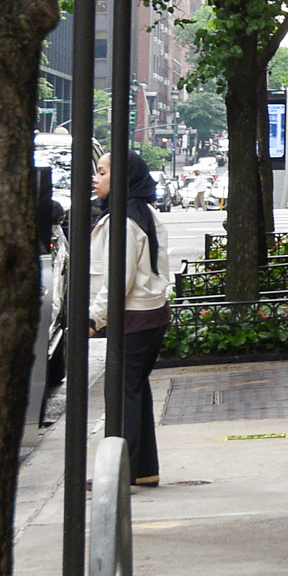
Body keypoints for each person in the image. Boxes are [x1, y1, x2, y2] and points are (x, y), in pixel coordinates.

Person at [86, 147, 171, 489]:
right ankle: (142, 468)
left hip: (135, 317)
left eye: (104, 172)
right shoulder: (144, 213)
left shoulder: (123, 220)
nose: (96, 177)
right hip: (150, 315)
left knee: (122, 393)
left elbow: (116, 279)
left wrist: (94, 318)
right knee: (134, 390)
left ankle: (119, 474)